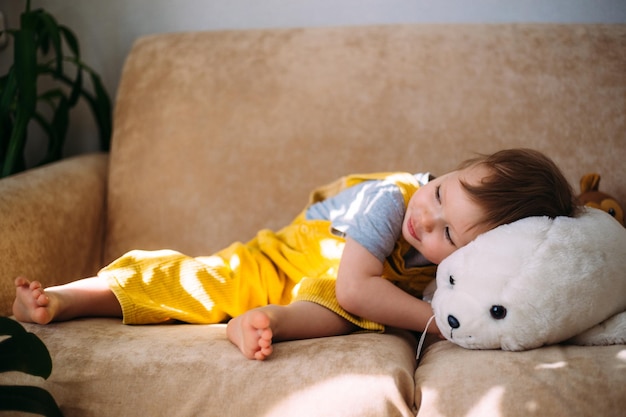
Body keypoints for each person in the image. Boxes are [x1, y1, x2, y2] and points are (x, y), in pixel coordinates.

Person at [12, 148, 579, 360]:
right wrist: (443, 325)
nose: (425, 217)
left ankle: (265, 325)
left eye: (449, 235)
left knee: (344, 312)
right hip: (279, 262)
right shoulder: (392, 200)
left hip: (326, 293)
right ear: (446, 173)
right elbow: (362, 285)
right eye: (438, 192)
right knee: (201, 281)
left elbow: (352, 296)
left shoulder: (471, 262)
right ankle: (67, 298)